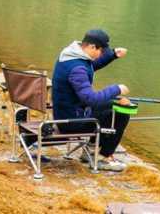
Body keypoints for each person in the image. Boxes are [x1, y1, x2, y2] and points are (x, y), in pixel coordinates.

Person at [52, 28, 131, 172]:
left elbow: (89, 67)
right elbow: (90, 99)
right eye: (101, 51)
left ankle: (91, 150)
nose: (101, 54)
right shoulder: (77, 68)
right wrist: (116, 89)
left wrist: (112, 55)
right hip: (71, 122)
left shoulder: (71, 55)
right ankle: (103, 157)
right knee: (121, 112)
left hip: (68, 112)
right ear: (92, 47)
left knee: (114, 103)